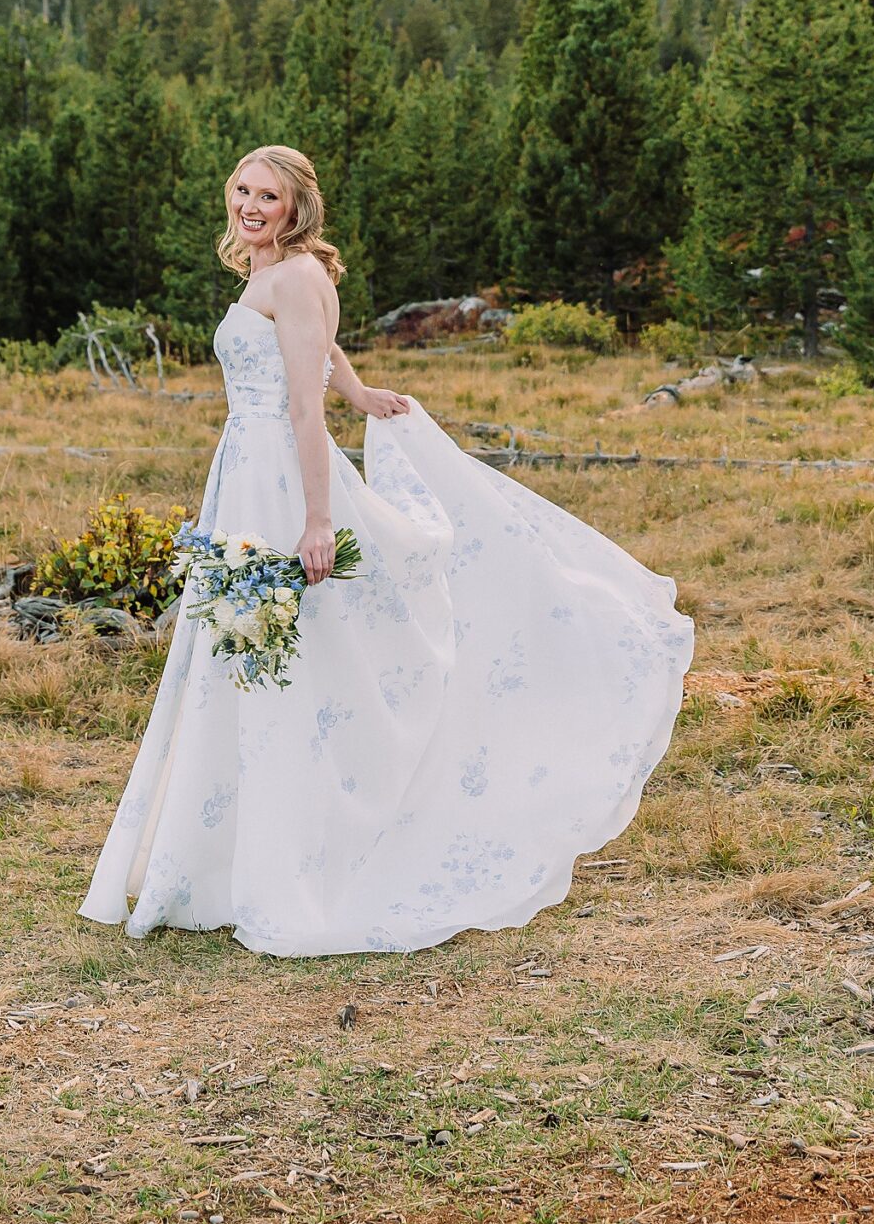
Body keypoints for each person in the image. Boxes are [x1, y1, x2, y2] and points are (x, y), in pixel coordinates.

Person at [80, 145, 692, 957]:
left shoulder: (294, 275)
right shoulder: (271, 273)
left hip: (279, 482)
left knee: (286, 660)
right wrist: (359, 385)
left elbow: (302, 408)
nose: (250, 206)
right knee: (246, 658)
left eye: (268, 195)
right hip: (243, 473)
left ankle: (308, 852)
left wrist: (316, 519)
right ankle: (229, 860)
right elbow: (313, 351)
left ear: (296, 207)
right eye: (241, 191)